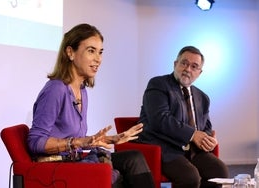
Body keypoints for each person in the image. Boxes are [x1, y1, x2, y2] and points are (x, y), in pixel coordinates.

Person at [27, 23, 155, 188]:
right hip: (56, 168)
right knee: (118, 176)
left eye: (100, 52)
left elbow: (81, 140)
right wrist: (77, 143)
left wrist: (112, 138)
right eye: (91, 51)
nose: (98, 59)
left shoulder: (81, 90)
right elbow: (35, 141)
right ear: (70, 52)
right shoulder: (56, 89)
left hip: (75, 160)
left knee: (134, 158)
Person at [137, 46, 229, 188]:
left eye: (194, 66)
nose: (188, 69)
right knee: (190, 177)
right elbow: (159, 119)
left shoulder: (202, 97)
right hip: (164, 149)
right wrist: (192, 135)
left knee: (219, 172)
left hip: (192, 151)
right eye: (184, 63)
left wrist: (209, 139)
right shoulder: (158, 84)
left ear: (199, 72)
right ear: (175, 64)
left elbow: (205, 128)